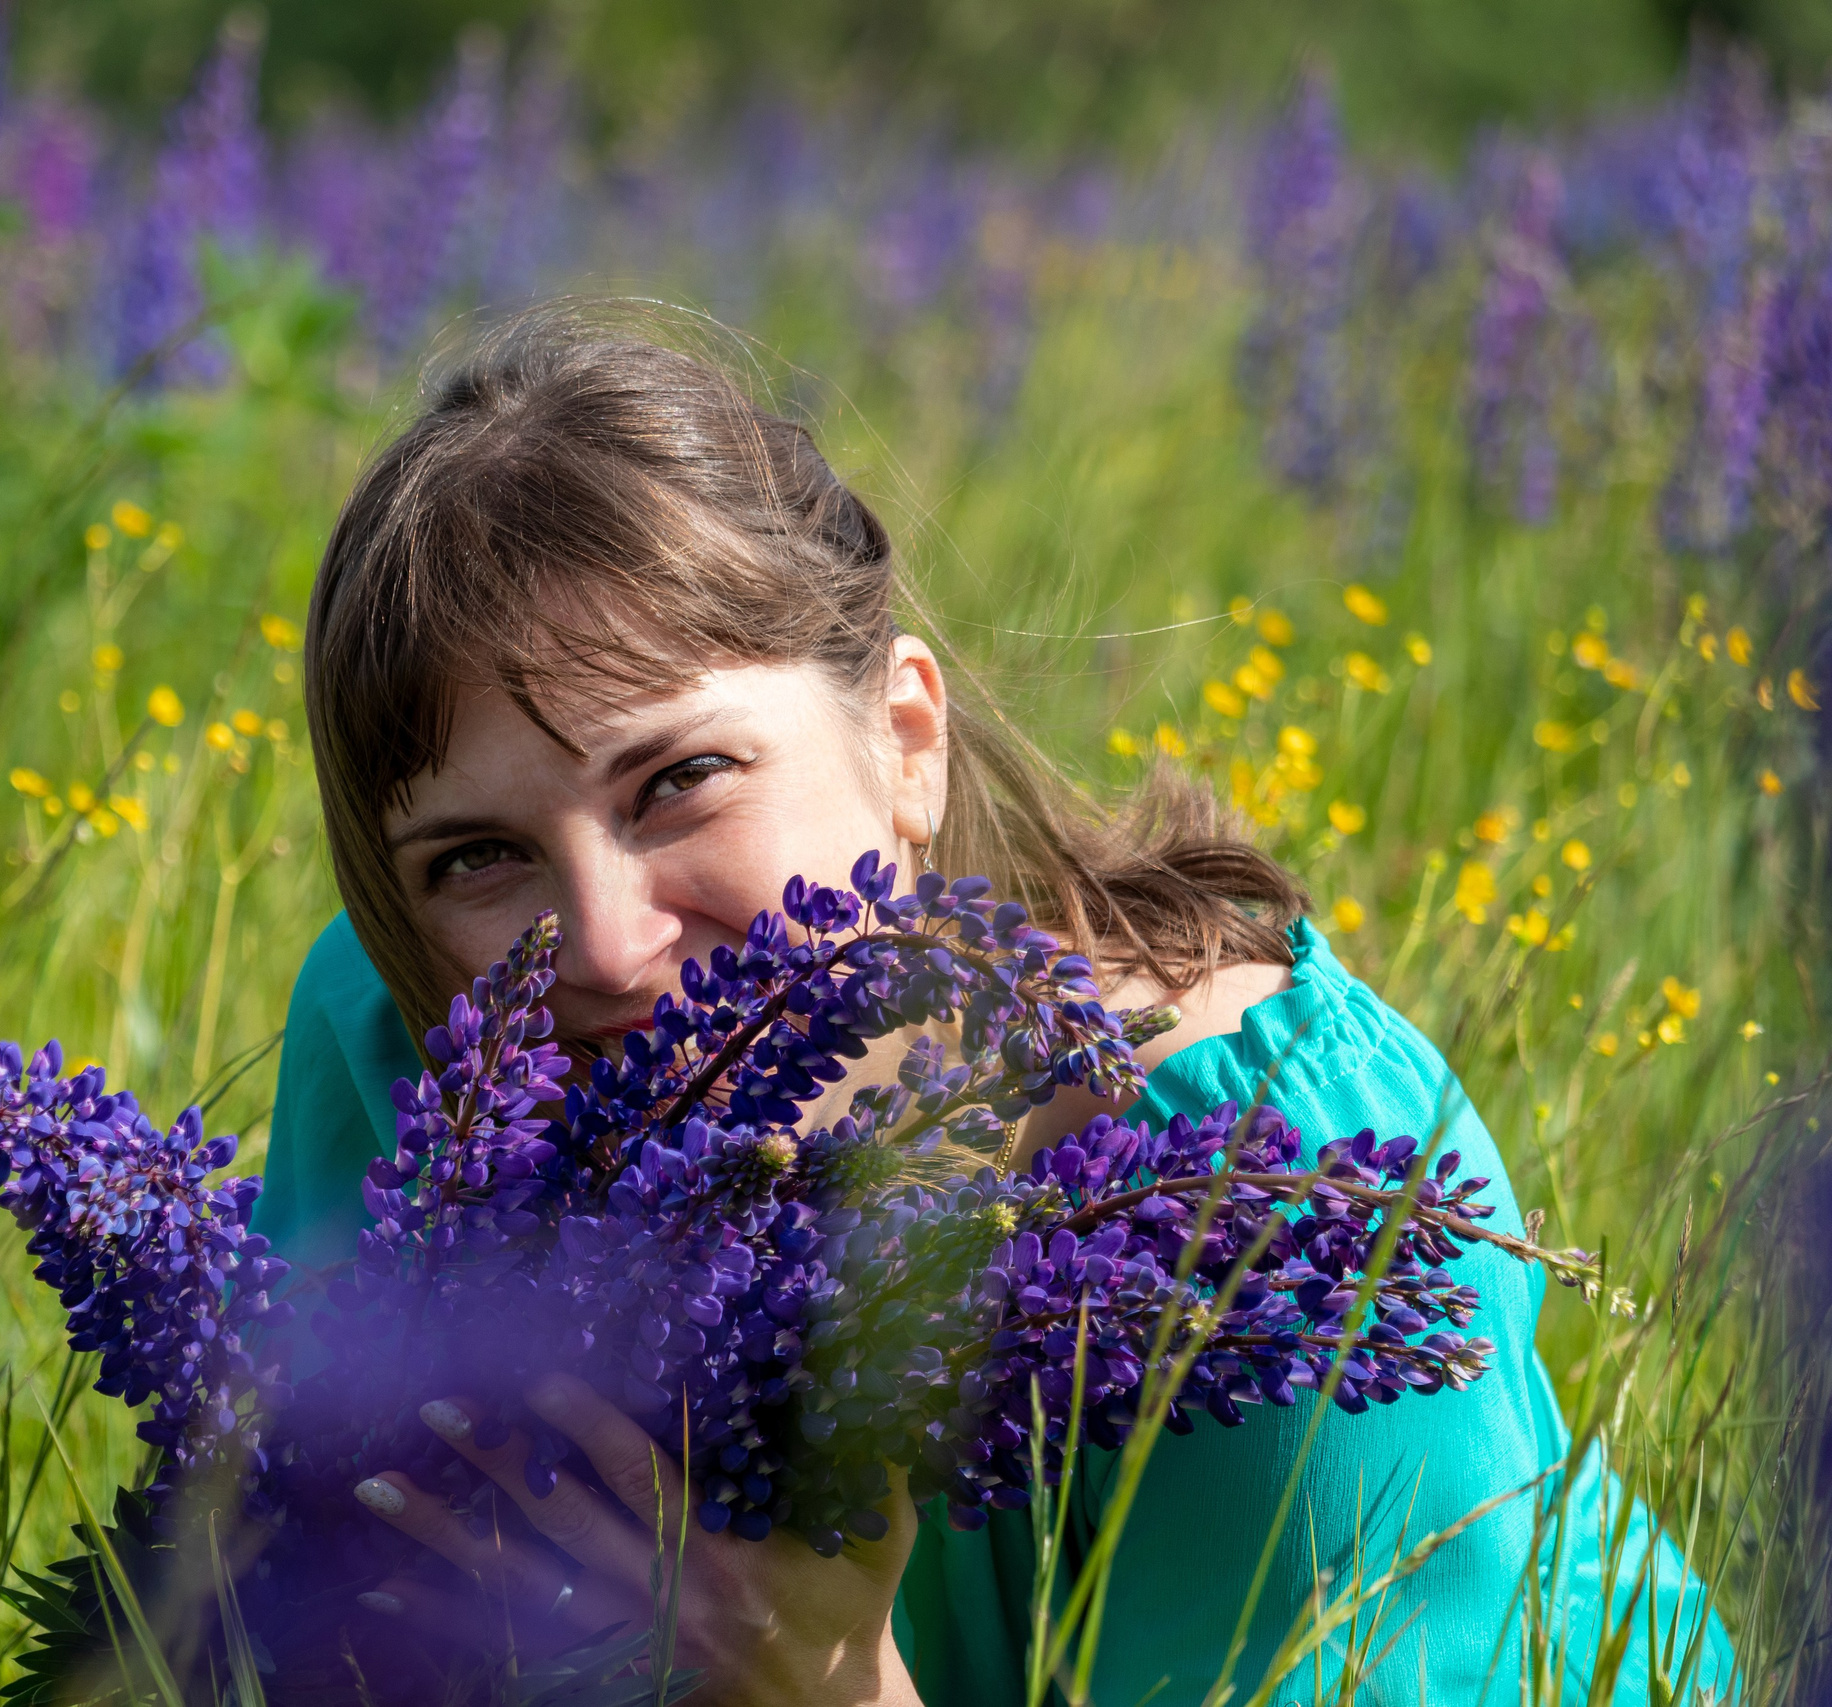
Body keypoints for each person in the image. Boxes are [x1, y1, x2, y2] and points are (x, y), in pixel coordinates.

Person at [251, 301, 1730, 1704]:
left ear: (905, 735)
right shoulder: (424, 1048)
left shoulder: (1264, 1208)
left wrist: (814, 1680)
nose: (606, 944)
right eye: (482, 855)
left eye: (679, 779)